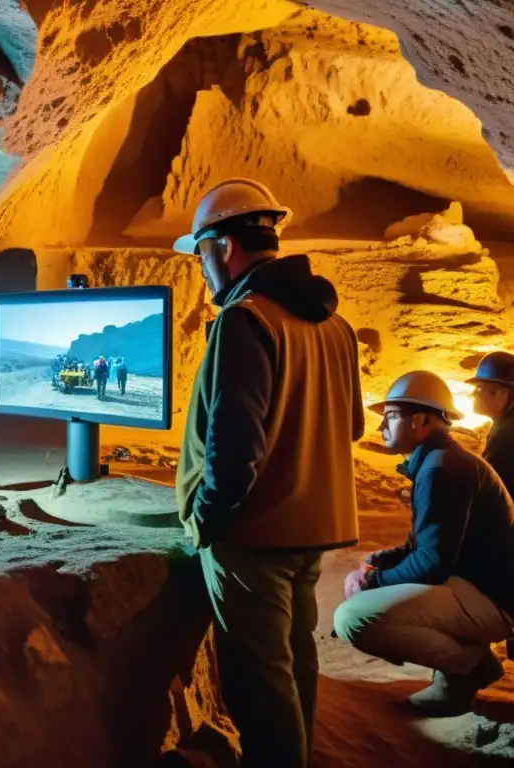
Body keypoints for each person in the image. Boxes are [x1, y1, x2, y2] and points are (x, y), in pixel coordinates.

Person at [174, 178, 364, 768]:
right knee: (294, 661)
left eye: (201, 255)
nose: (202, 271)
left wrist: (206, 521)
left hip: (254, 537)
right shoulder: (336, 327)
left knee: (259, 684)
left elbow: (234, 450)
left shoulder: (244, 320)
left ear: (223, 247)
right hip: (314, 529)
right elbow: (351, 426)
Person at [333, 371, 514, 716]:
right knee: (378, 585)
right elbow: (425, 545)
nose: (381, 427)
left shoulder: (440, 468)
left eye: (390, 416)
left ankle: (471, 666)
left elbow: (432, 563)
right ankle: (460, 673)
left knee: (354, 618)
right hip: (480, 586)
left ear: (420, 421)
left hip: (495, 600)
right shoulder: (440, 460)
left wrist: (371, 581)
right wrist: (378, 561)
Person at [469, 351, 514, 494]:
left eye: (480, 388)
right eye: (476, 388)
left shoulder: (507, 436)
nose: (474, 394)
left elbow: (493, 492)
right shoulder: (502, 425)